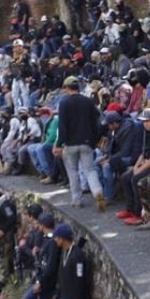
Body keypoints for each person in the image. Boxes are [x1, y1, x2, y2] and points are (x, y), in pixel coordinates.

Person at [54, 76, 107, 211]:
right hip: (86, 142)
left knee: (73, 172)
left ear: (67, 88)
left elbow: (62, 126)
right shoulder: (88, 101)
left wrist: (59, 144)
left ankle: (77, 199)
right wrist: (94, 139)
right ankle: (97, 192)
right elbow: (98, 121)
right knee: (90, 170)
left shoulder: (64, 103)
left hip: (70, 143)